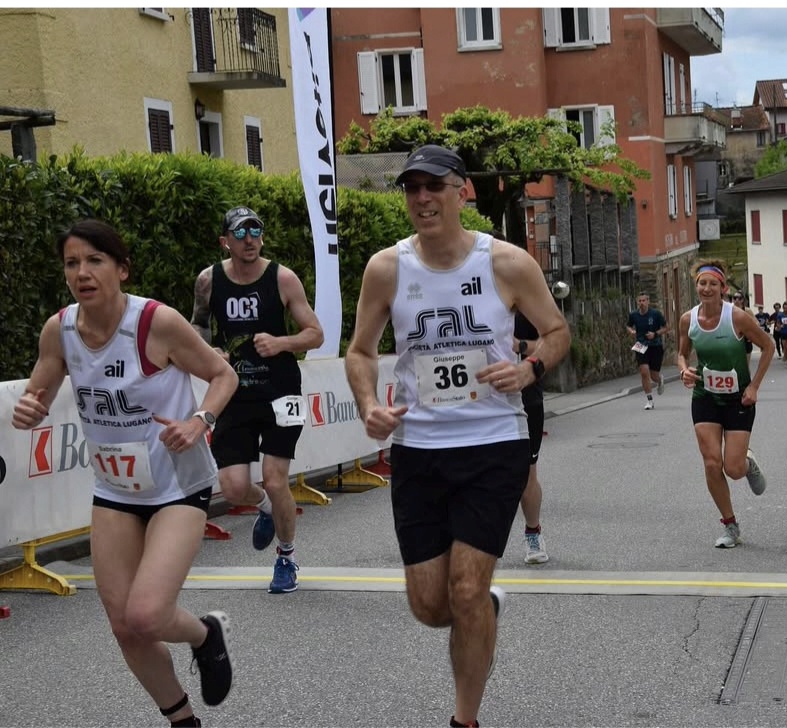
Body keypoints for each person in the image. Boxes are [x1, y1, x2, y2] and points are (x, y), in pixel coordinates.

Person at [343, 144, 570, 728]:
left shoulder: (507, 263)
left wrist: (529, 369)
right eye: (411, 188)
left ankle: (464, 719)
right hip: (418, 450)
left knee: (465, 589)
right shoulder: (386, 269)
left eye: (433, 186)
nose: (422, 198)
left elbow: (556, 332)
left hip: (493, 443)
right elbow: (360, 351)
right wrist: (368, 404)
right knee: (430, 605)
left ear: (461, 192)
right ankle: (483, 609)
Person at [11, 220, 239, 727]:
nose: (82, 273)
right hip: (115, 490)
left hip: (177, 484)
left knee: (147, 615)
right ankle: (183, 721)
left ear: (122, 269)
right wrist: (29, 409)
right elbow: (36, 395)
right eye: (72, 263)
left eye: (95, 261)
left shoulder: (157, 323)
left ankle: (205, 635)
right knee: (124, 627)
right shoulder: (60, 330)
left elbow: (223, 374)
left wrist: (199, 421)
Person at [190, 206, 325, 594]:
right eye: (240, 233)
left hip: (282, 392)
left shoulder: (282, 278)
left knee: (275, 478)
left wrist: (282, 342)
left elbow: (315, 333)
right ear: (225, 241)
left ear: (262, 237)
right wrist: (208, 350)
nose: (249, 240)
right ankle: (265, 507)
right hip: (235, 393)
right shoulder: (208, 281)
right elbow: (197, 325)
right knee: (233, 487)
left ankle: (286, 557)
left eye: (255, 231)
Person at [676, 261, 773, 549]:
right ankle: (730, 525)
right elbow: (681, 354)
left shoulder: (738, 318)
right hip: (705, 396)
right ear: (696, 286)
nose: (706, 289)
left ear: (723, 288)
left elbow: (768, 346)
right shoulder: (688, 320)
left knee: (733, 469)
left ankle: (747, 464)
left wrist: (754, 386)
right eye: (702, 283)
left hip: (738, 399)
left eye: (712, 284)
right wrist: (684, 370)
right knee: (711, 462)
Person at [513, 310, 549, 564]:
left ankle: (533, 533)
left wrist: (519, 346)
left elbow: (551, 344)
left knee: (527, 472)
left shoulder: (525, 304)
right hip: (481, 402)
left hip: (526, 400)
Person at [626, 292, 669, 410]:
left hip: (655, 346)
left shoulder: (655, 314)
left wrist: (655, 334)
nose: (641, 303)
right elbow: (628, 326)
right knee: (644, 372)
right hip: (640, 345)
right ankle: (649, 400)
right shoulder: (633, 315)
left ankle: (659, 380)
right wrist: (631, 331)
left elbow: (666, 327)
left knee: (654, 376)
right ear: (637, 302)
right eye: (639, 301)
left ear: (648, 301)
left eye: (644, 300)